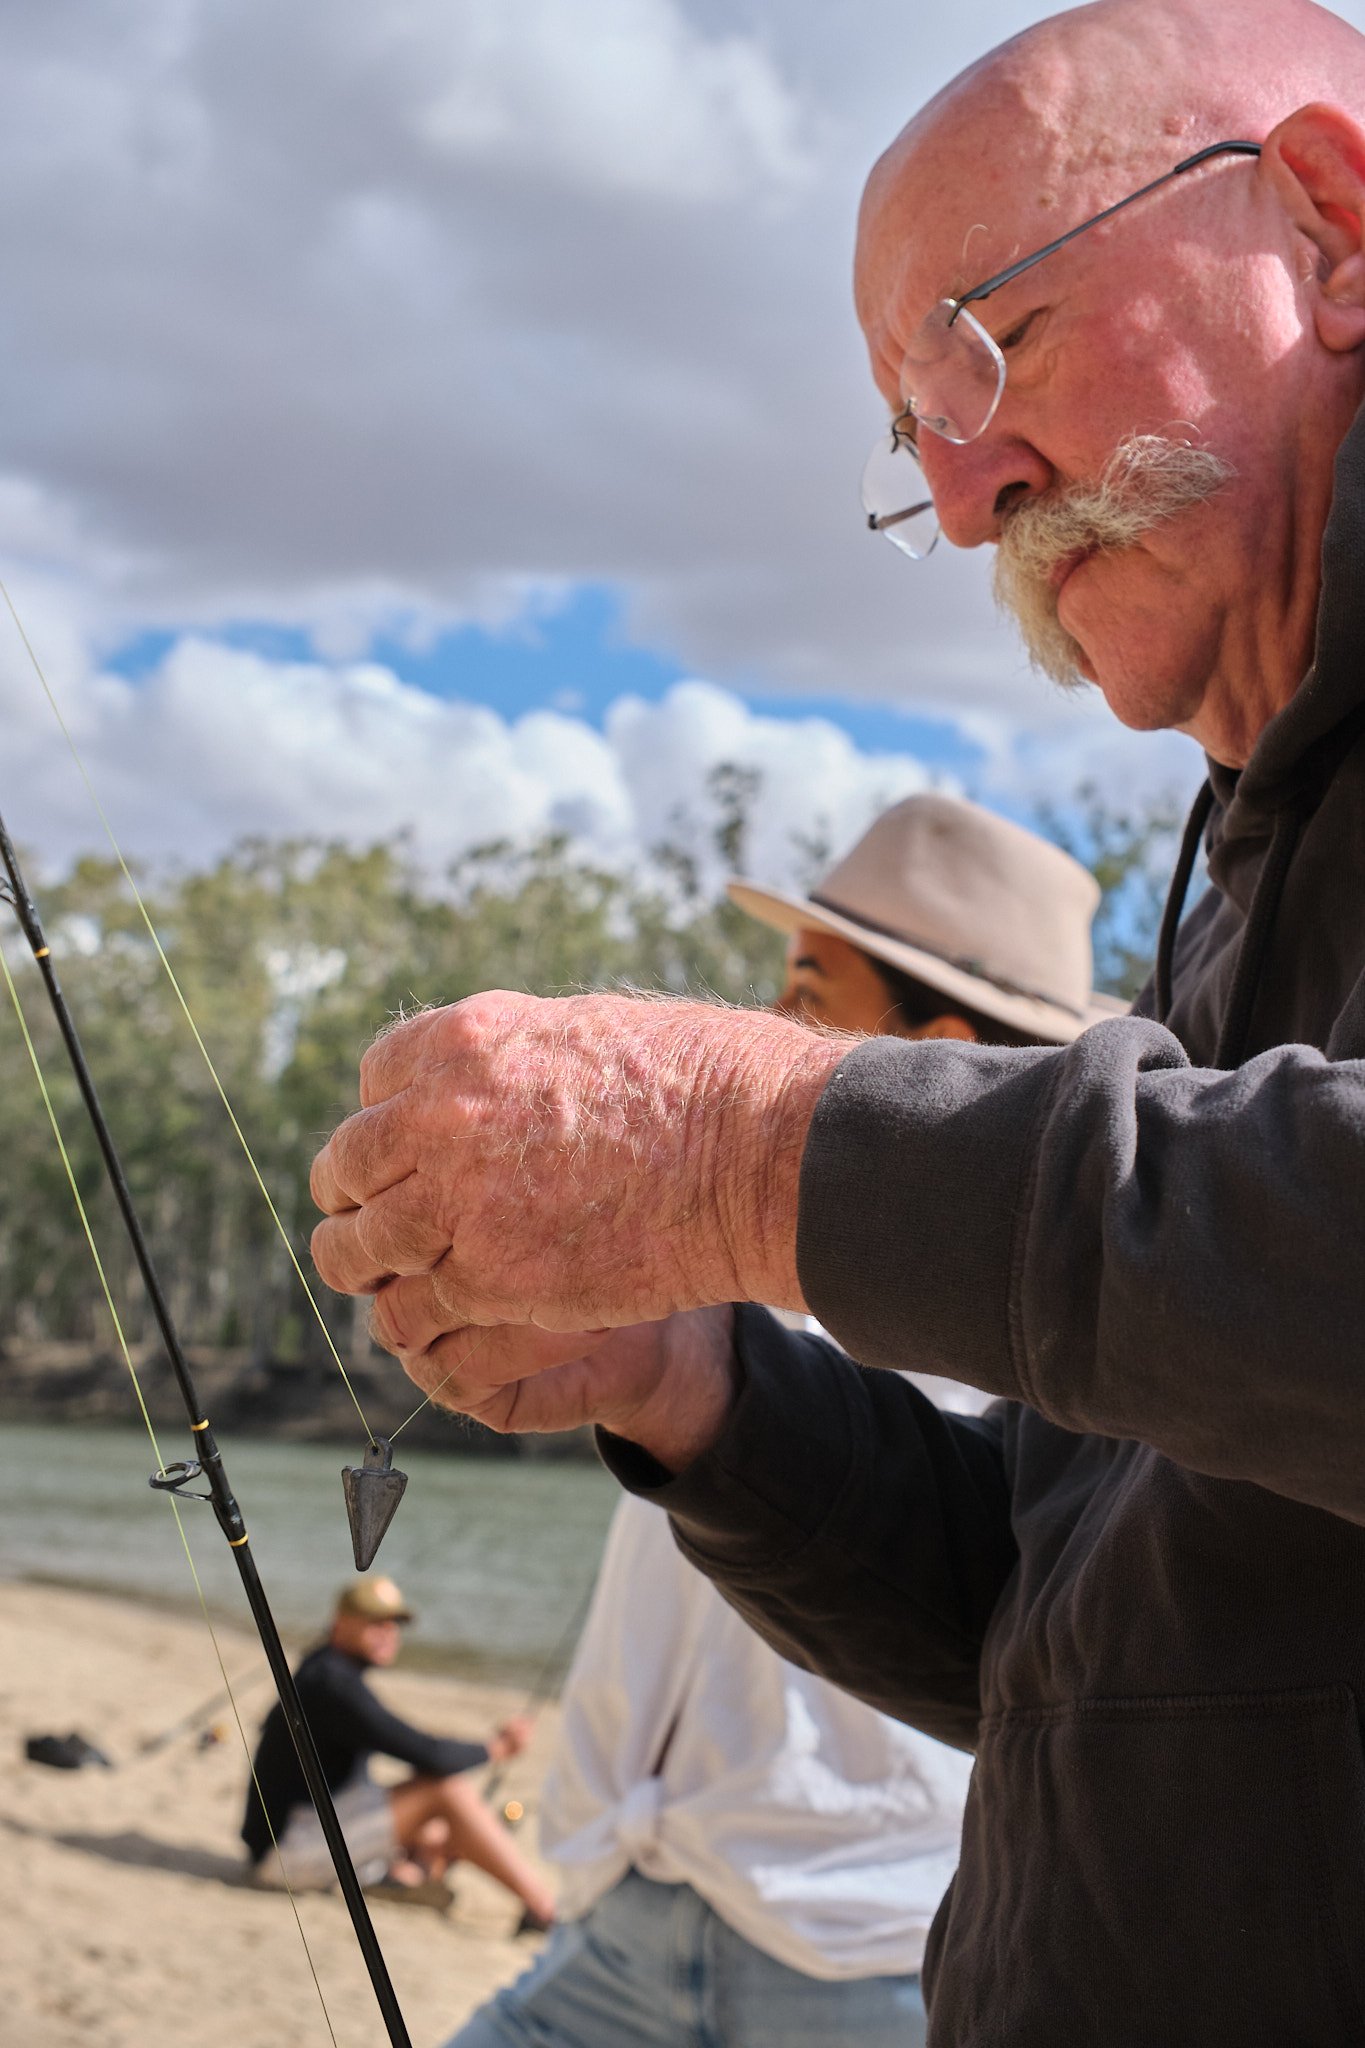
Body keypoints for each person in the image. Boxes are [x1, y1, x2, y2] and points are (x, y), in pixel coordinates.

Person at [308, 2, 1365, 2038]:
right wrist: (693, 1379)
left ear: (1320, 225)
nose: (966, 502)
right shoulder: (1233, 874)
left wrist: (748, 1153)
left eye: (996, 342)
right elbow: (1054, 1633)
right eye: (911, 428)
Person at [443, 796, 1110, 2048]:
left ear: (938, 1048)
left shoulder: (1055, 1369)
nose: (762, 1019)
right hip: (621, 1917)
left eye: (807, 988)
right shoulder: (728, 1289)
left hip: (861, 1965)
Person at [242, 1574, 556, 1927]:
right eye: (375, 1622)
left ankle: (407, 1877)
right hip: (284, 1855)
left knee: (438, 1827)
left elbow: (417, 1752)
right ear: (341, 1622)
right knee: (444, 1789)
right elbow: (428, 1753)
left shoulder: (325, 1668)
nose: (388, 1632)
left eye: (394, 1624)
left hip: (302, 1834)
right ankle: (544, 1908)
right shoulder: (331, 1685)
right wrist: (497, 1748)